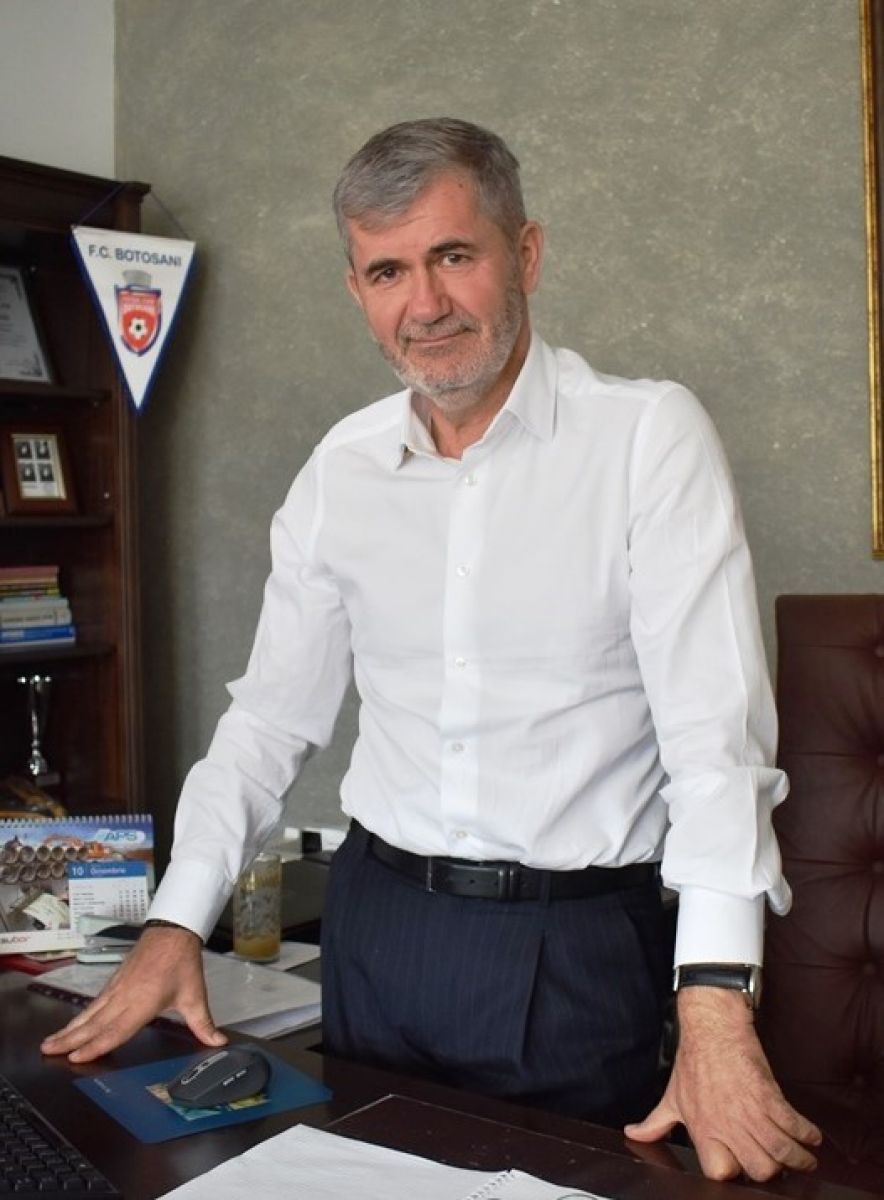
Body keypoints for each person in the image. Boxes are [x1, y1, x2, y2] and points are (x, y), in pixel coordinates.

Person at [42, 118, 820, 1182]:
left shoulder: (646, 438)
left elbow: (713, 743)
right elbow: (267, 722)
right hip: (377, 930)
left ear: (525, 254)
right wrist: (176, 921)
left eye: (455, 255)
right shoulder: (340, 469)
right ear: (356, 290)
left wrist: (716, 1005)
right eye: (388, 271)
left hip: (574, 949)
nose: (426, 303)